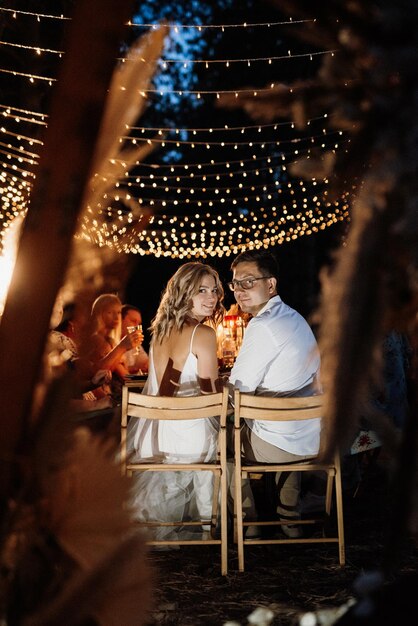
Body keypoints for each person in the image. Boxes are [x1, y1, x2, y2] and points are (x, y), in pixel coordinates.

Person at [126, 262, 225, 540]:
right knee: (226, 437)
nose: (212, 297)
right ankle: (213, 529)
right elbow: (210, 397)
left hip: (152, 435)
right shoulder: (203, 334)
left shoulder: (159, 332)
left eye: (214, 290)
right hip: (187, 438)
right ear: (184, 294)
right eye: (201, 290)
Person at [228, 249, 321, 537]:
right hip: (312, 436)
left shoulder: (264, 324)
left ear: (271, 284)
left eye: (248, 282)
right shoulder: (293, 317)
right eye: (235, 283)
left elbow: (236, 390)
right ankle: (288, 518)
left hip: (283, 443)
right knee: (275, 418)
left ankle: (249, 523)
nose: (240, 291)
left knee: (215, 443)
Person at [86, 293, 144, 403]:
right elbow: (125, 378)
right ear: (99, 314)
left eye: (118, 312)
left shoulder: (111, 341)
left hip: (116, 397)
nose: (116, 317)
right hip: (105, 401)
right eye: (110, 312)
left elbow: (127, 377)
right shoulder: (95, 340)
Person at [121, 304, 149, 374]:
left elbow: (146, 363)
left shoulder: (135, 344)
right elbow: (124, 376)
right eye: (133, 321)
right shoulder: (111, 342)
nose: (136, 326)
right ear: (120, 320)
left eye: (139, 324)